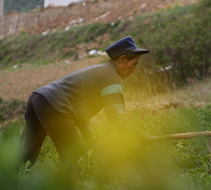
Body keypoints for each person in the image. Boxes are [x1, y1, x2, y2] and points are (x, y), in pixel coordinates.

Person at [19, 36, 149, 168]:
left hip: (38, 98)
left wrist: (90, 138)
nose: (134, 70)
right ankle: (67, 188)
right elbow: (116, 120)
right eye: (134, 64)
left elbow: (79, 112)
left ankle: (10, 183)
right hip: (54, 104)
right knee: (75, 157)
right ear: (122, 59)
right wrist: (137, 136)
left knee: (24, 157)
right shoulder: (111, 78)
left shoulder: (101, 71)